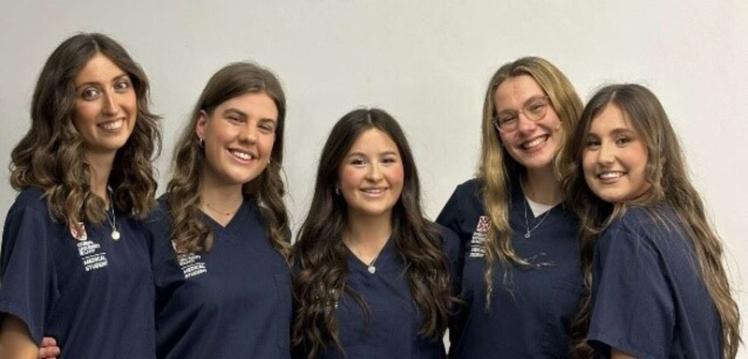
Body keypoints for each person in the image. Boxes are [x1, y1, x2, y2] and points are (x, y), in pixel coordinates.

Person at [0, 33, 161, 358]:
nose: (112, 106)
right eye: (90, 93)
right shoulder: (38, 212)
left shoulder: (132, 213)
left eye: (120, 85)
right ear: (62, 108)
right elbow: (13, 351)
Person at [561, 83, 740, 358]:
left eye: (622, 139)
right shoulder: (678, 225)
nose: (604, 157)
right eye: (593, 143)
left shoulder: (629, 235)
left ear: (656, 148)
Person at [436, 56, 586, 357]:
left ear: (564, 108)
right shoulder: (470, 202)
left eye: (537, 107)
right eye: (508, 118)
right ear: (498, 133)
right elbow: (419, 307)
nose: (526, 126)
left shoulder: (598, 218)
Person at [147, 62, 293, 358]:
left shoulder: (273, 230)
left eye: (265, 127)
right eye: (236, 119)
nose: (250, 136)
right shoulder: (152, 226)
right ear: (202, 125)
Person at [292, 108, 461, 358]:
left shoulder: (440, 248)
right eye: (358, 161)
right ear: (335, 178)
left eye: (387, 160)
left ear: (405, 171)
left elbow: (468, 342)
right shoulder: (305, 262)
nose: (374, 175)